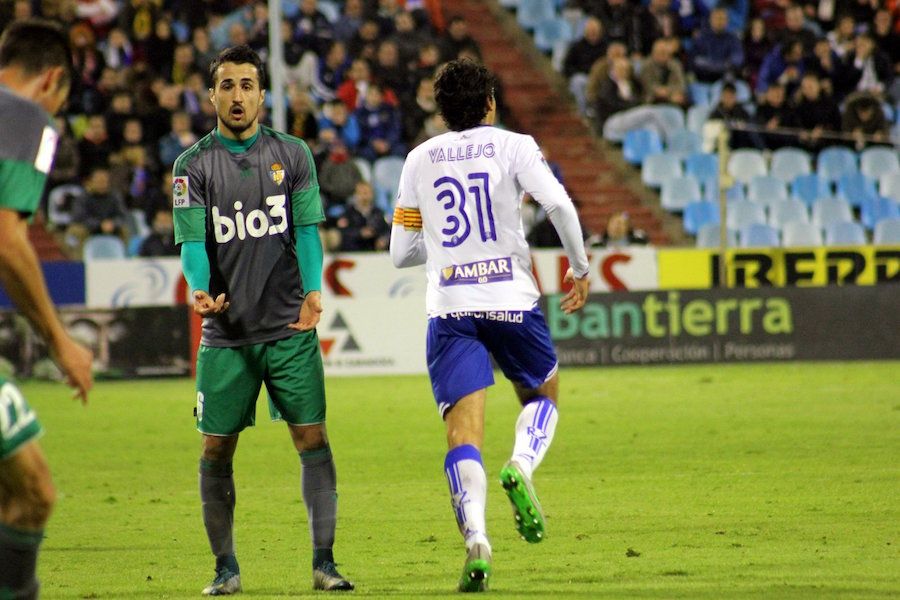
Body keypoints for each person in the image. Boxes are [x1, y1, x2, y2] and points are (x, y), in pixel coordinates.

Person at [389, 59, 590, 593]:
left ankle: (477, 538)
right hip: (510, 299)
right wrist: (580, 268)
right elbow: (558, 205)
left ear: (441, 112)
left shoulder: (418, 160)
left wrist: (444, 247)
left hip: (450, 308)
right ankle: (521, 464)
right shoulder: (515, 146)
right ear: (490, 104)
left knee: (463, 433)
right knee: (542, 393)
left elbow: (400, 252)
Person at [172, 45, 353, 595]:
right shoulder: (192, 166)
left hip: (288, 330)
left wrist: (314, 290)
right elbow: (193, 243)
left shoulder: (292, 154)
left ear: (262, 95)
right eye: (227, 86)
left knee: (312, 437)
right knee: (215, 449)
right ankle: (225, 570)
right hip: (226, 334)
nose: (237, 96)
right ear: (212, 96)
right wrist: (200, 288)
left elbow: (307, 231)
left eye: (247, 85)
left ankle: (324, 565)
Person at [0, 18, 94, 600]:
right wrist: (61, 341)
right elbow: (7, 239)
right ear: (52, 80)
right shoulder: (26, 117)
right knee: (34, 493)